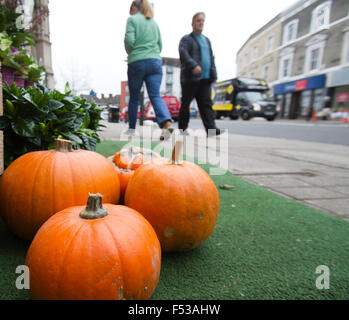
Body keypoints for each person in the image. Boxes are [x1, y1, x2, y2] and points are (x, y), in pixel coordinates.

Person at [124, 0, 173, 140]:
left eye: (130, 9)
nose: (130, 13)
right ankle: (166, 123)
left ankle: (132, 130)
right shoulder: (154, 22)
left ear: (134, 7)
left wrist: (132, 52)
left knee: (134, 98)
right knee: (155, 95)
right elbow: (160, 44)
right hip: (155, 62)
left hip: (137, 62)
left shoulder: (132, 20)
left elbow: (129, 41)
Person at [178, 12, 222, 136]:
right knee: (186, 103)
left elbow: (211, 58)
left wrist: (214, 74)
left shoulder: (206, 40)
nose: (200, 23)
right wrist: (193, 65)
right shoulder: (187, 39)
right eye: (198, 20)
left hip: (205, 79)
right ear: (192, 23)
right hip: (190, 78)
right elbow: (183, 53)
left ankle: (211, 129)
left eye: (202, 20)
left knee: (206, 104)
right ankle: (182, 129)